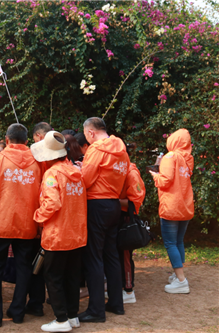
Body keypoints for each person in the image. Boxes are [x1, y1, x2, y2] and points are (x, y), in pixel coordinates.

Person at [0, 124, 42, 327]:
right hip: (28, 223)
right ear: (26, 141)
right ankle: (18, 311)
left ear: (6, 140)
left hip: (0, 222)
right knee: (24, 267)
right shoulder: (37, 162)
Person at [30, 131, 87, 332]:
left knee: (53, 278)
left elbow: (52, 203)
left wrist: (37, 216)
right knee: (72, 278)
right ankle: (72, 316)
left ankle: (61, 319)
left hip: (57, 236)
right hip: (77, 234)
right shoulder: (77, 172)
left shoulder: (52, 174)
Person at [77, 117, 130, 323]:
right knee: (111, 256)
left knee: (94, 258)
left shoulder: (96, 150)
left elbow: (86, 180)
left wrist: (80, 170)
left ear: (90, 133)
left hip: (96, 205)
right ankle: (116, 303)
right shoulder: (122, 151)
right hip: (114, 204)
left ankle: (96, 310)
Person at [149, 129, 194, 294]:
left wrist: (155, 174)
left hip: (171, 206)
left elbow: (165, 182)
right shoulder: (187, 159)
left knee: (170, 243)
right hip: (185, 205)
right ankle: (178, 276)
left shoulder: (170, 157)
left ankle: (181, 281)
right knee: (179, 241)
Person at [117, 153, 146, 303]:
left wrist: (112, 201)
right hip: (118, 217)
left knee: (126, 256)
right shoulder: (120, 170)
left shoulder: (131, 173)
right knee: (119, 255)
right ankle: (120, 287)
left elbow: (134, 202)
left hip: (127, 218)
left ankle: (129, 291)